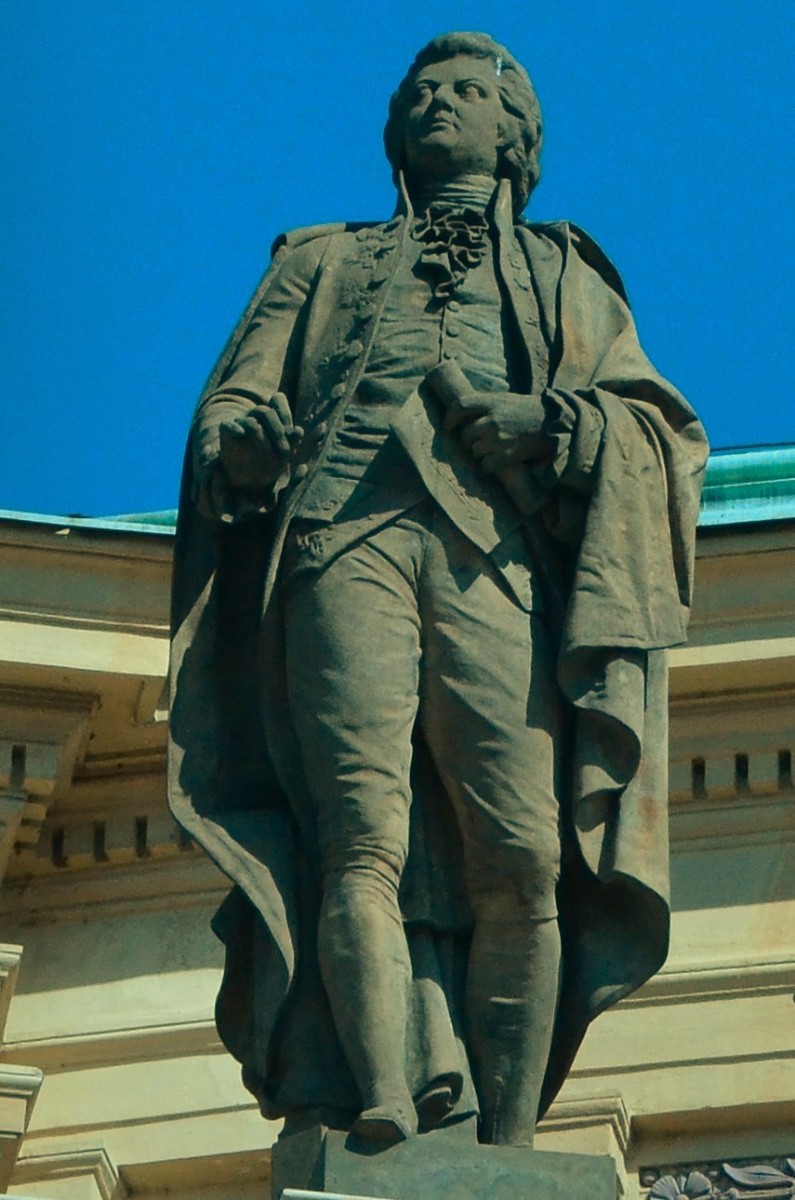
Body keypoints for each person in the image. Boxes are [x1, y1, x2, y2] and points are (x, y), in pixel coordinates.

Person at [168, 32, 708, 1147]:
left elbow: (657, 428)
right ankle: (376, 1095)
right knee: (358, 835)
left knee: (523, 854)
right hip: (337, 543)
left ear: (514, 135)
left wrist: (552, 424)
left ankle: (506, 1144)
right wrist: (243, 449)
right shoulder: (316, 262)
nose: (435, 103)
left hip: (493, 562)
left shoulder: (565, 276)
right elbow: (233, 402)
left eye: (464, 91)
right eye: (419, 92)